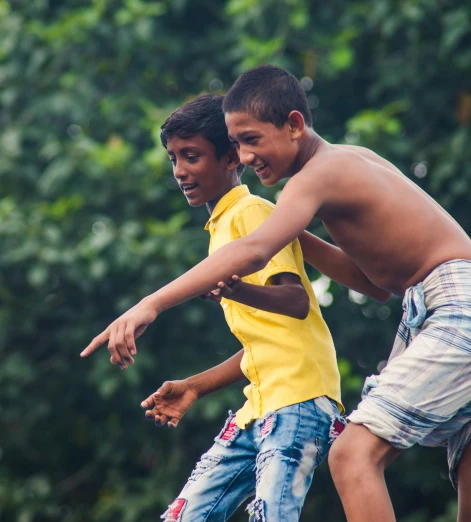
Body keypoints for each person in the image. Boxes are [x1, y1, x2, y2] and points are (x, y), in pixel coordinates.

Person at [82, 67, 471, 522]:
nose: (243, 156)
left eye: (252, 140)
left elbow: (255, 250)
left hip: (464, 306)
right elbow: (375, 286)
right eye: (236, 144)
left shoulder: (316, 175)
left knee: (352, 456)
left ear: (295, 125)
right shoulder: (350, 161)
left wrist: (151, 304)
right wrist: (295, 235)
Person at [126, 93, 385, 522]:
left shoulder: (251, 212)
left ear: (232, 157)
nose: (180, 171)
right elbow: (265, 343)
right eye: (173, 159)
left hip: (298, 402)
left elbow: (297, 301)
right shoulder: (222, 228)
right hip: (258, 408)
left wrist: (235, 291)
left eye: (192, 156)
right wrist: (195, 385)